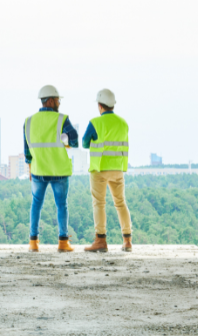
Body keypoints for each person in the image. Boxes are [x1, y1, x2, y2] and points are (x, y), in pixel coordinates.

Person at [24, 85, 78, 253]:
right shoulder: (61, 119)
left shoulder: (29, 121)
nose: (59, 103)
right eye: (58, 100)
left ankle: (33, 243)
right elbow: (74, 141)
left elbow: (27, 149)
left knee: (36, 204)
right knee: (61, 205)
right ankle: (63, 243)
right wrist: (65, 140)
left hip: (38, 170)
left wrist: (30, 167)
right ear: (52, 100)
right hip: (59, 171)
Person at [82, 89, 132, 253]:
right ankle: (127, 241)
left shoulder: (95, 123)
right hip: (117, 168)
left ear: (100, 105)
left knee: (99, 203)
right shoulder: (123, 123)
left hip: (99, 169)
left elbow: (84, 143)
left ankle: (101, 241)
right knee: (120, 203)